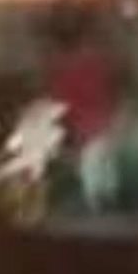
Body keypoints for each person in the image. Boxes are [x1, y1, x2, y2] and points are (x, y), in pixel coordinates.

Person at [47, 14, 120, 211]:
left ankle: (98, 200)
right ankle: (102, 199)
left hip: (90, 126)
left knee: (96, 163)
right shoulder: (92, 67)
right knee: (99, 163)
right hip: (94, 126)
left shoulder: (83, 68)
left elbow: (61, 99)